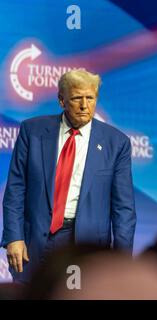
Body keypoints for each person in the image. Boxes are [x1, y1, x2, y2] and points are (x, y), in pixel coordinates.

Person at [1, 69, 136, 283]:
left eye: (90, 98)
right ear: (61, 100)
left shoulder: (116, 143)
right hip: (35, 240)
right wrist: (13, 237)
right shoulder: (32, 131)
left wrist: (120, 261)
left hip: (84, 244)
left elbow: (123, 208)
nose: (84, 105)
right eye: (76, 98)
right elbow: (16, 189)